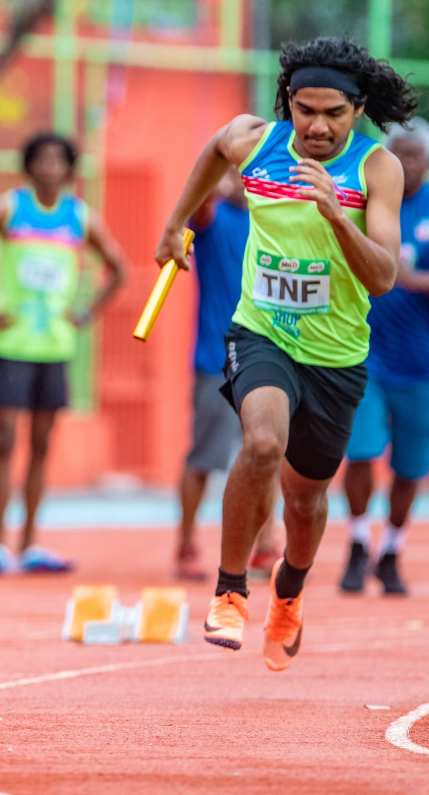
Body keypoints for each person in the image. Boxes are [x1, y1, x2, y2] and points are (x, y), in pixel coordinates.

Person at [154, 36, 411, 671]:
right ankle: (230, 589)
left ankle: (289, 594)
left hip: (338, 356)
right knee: (262, 443)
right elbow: (214, 151)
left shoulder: (377, 169)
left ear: (358, 109)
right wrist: (176, 222)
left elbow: (382, 277)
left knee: (305, 497)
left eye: (334, 113)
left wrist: (336, 214)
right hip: (262, 332)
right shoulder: (255, 141)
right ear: (287, 103)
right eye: (305, 110)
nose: (318, 127)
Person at [0, 132, 125, 574]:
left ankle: (30, 542)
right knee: (6, 441)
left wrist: (87, 314)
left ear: (68, 168)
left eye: (58, 161)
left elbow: (117, 269)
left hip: (55, 348)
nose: (49, 168)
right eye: (41, 160)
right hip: (14, 345)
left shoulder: (79, 217)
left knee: (42, 444)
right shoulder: (10, 207)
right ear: (29, 165)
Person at [339, 119, 429, 596]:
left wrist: (411, 280)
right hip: (366, 356)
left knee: (410, 468)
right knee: (361, 450)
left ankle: (391, 550)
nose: (409, 162)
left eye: (417, 154)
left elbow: (399, 274)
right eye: (402, 154)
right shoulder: (373, 196)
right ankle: (356, 542)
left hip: (421, 364)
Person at [175, 167, 278, 581]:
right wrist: (210, 181)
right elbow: (197, 210)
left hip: (269, 357)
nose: (242, 180)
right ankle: (185, 543)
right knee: (204, 458)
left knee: (267, 451)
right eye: (235, 172)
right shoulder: (213, 217)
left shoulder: (273, 222)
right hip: (214, 359)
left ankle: (266, 547)